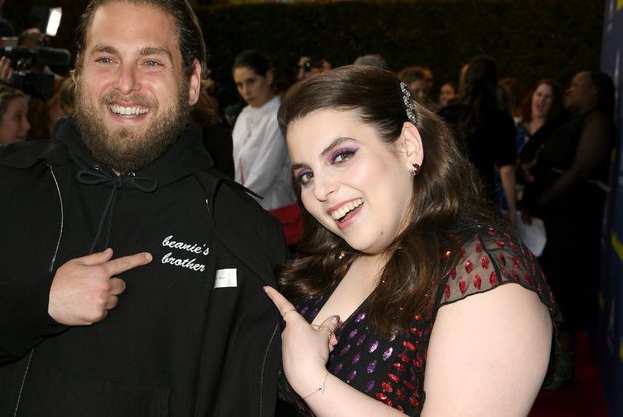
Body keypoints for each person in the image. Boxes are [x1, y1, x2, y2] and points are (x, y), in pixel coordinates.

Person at [0, 0, 286, 416]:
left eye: (151, 62)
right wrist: (36, 306)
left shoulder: (239, 231)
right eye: (106, 58)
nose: (125, 84)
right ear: (79, 72)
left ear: (191, 82)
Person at [264, 65, 558, 416]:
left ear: (408, 147)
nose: (321, 190)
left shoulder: (485, 276)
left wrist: (313, 380)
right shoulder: (335, 257)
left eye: (341, 156)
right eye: (306, 175)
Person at [518, 70, 616, 390]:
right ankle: (545, 360)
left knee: (566, 286)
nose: (569, 90)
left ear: (595, 93)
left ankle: (561, 363)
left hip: (574, 220)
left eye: (576, 86)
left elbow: (580, 170)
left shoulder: (598, 121)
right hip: (555, 220)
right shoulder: (569, 121)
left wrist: (544, 199)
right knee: (549, 284)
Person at [439, 55, 517, 228]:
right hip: (483, 197)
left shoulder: (448, 113)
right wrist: (512, 210)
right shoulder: (500, 119)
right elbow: (507, 169)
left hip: (449, 193)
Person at [231, 49, 295, 211]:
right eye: (240, 85)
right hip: (248, 209)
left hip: (276, 209)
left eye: (251, 81)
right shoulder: (244, 115)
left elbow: (264, 175)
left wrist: (233, 204)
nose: (245, 90)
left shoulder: (278, 116)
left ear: (268, 77)